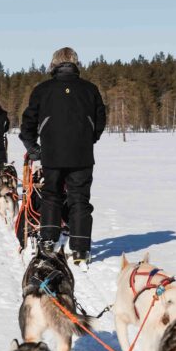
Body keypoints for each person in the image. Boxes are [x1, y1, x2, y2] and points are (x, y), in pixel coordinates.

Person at [19, 47, 106, 264]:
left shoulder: (42, 89)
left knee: (51, 195)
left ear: (54, 64)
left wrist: (32, 147)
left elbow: (28, 122)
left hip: (52, 153)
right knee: (80, 199)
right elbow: (100, 120)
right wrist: (89, 139)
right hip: (82, 155)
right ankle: (80, 250)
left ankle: (48, 241)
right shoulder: (90, 89)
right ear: (75, 63)